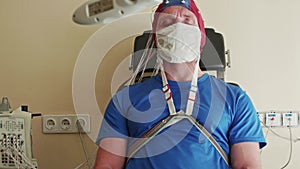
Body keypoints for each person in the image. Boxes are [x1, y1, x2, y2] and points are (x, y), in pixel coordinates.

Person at [94, 0, 266, 168]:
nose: (178, 27)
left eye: (187, 20)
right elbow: (108, 165)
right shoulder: (124, 100)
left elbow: (247, 165)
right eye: (167, 22)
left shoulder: (235, 99)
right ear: (157, 38)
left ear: (200, 35)